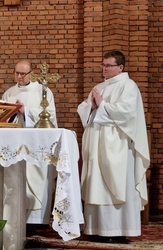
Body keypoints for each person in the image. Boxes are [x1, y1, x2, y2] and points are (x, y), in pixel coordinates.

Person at [77, 50, 150, 243]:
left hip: (117, 146)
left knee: (114, 188)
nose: (104, 69)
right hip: (96, 143)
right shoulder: (99, 86)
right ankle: (95, 229)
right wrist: (92, 106)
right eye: (103, 65)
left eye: (108, 65)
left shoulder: (128, 86)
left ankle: (116, 230)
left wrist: (102, 105)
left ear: (120, 67)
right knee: (96, 185)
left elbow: (127, 115)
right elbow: (85, 110)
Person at [2, 60, 57, 236]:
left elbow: (50, 117)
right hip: (15, 145)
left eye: (23, 73)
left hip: (36, 144)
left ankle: (36, 221)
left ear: (31, 74)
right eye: (16, 73)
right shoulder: (9, 93)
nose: (19, 76)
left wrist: (25, 110)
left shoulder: (43, 91)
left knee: (36, 179)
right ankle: (16, 217)